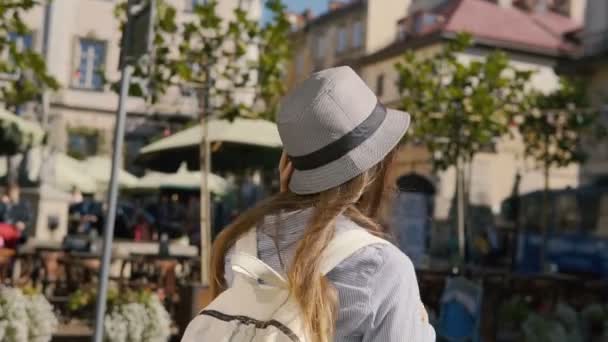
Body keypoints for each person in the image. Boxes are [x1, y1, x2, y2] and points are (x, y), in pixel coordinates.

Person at [206, 67, 435, 341]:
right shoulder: (383, 269)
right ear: (371, 168)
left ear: (288, 164)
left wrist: (287, 202)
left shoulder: (238, 245)